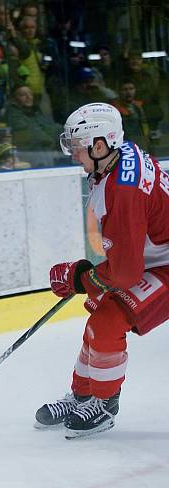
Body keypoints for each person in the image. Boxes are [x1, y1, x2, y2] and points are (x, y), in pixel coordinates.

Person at [36, 103, 169, 439]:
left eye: (78, 150)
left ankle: (105, 403)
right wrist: (89, 280)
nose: (74, 157)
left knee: (108, 318)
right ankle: (84, 395)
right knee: (100, 313)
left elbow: (124, 273)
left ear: (99, 145)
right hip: (156, 256)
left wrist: (80, 278)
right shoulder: (116, 160)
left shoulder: (123, 189)